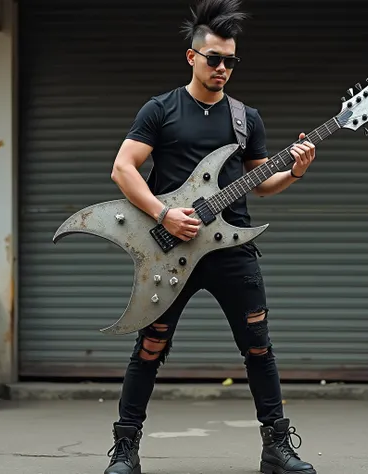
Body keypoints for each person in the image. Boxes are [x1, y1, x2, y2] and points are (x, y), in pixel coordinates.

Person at [105, 1, 317, 473]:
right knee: (150, 348)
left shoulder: (246, 118)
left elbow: (260, 183)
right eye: (214, 59)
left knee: (259, 346)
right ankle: (125, 449)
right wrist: (164, 214)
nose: (222, 68)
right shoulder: (160, 109)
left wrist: (296, 173)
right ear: (192, 57)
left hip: (231, 251)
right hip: (172, 249)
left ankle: (276, 448)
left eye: (230, 61)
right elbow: (123, 169)